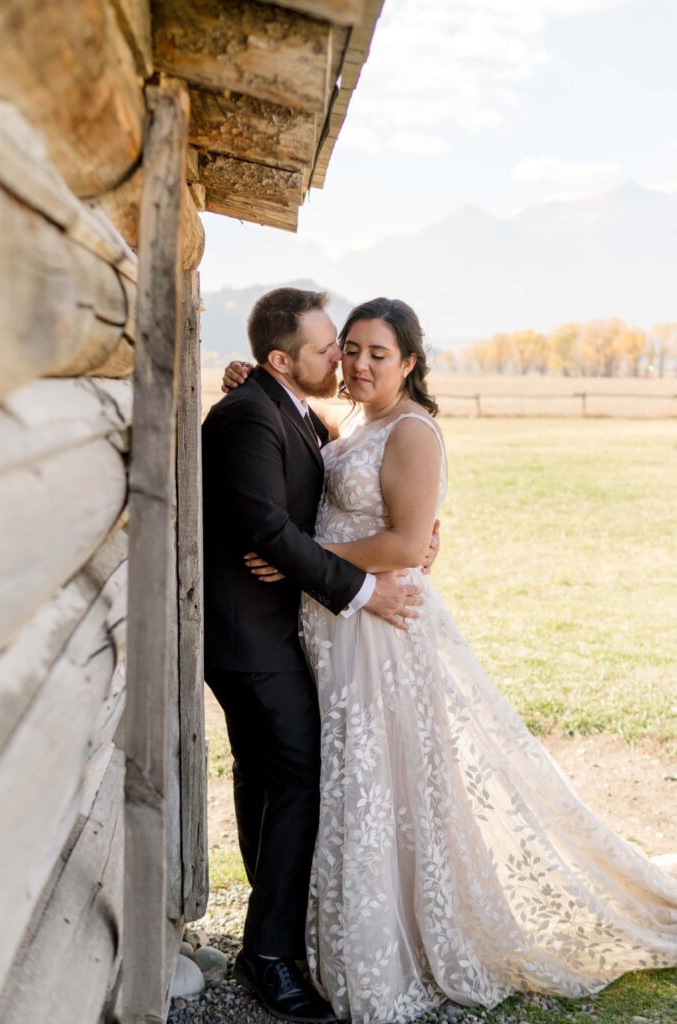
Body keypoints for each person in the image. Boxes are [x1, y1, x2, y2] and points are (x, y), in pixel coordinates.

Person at [224, 296, 677, 1024]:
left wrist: (304, 559)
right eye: (350, 348)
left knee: (382, 776)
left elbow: (405, 546)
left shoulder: (411, 431)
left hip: (379, 630)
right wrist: (249, 377)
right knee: (345, 779)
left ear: (409, 362)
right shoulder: (345, 422)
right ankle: (324, 928)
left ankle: (399, 932)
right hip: (336, 623)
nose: (359, 362)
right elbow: (299, 441)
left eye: (379, 353)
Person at [202, 287, 438, 1024]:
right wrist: (363, 587)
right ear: (282, 359)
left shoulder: (311, 410)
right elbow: (270, 530)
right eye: (331, 347)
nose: (344, 358)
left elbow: (387, 510)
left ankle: (279, 931)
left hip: (305, 628)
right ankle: (269, 952)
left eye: (365, 349)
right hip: (256, 635)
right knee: (298, 775)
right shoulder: (253, 411)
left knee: (279, 777)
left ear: (407, 361)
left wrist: (408, 542)